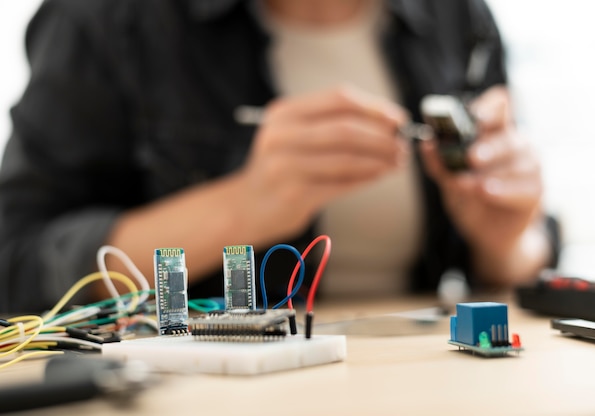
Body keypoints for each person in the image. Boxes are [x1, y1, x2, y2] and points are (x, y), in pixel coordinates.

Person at [0, 0, 559, 313]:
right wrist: (239, 209)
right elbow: (14, 262)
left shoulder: (457, 18)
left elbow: (522, 259)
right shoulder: (105, 20)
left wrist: (506, 239)